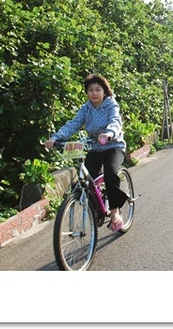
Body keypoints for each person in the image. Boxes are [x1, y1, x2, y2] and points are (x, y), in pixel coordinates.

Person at [44, 74, 129, 232]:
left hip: (113, 145)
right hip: (95, 148)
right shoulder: (86, 108)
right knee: (86, 179)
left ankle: (115, 212)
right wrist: (56, 138)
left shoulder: (111, 105)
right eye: (90, 90)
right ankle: (95, 209)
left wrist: (109, 133)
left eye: (98, 89)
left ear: (105, 91)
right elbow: (74, 124)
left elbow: (115, 121)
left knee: (111, 172)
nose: (94, 93)